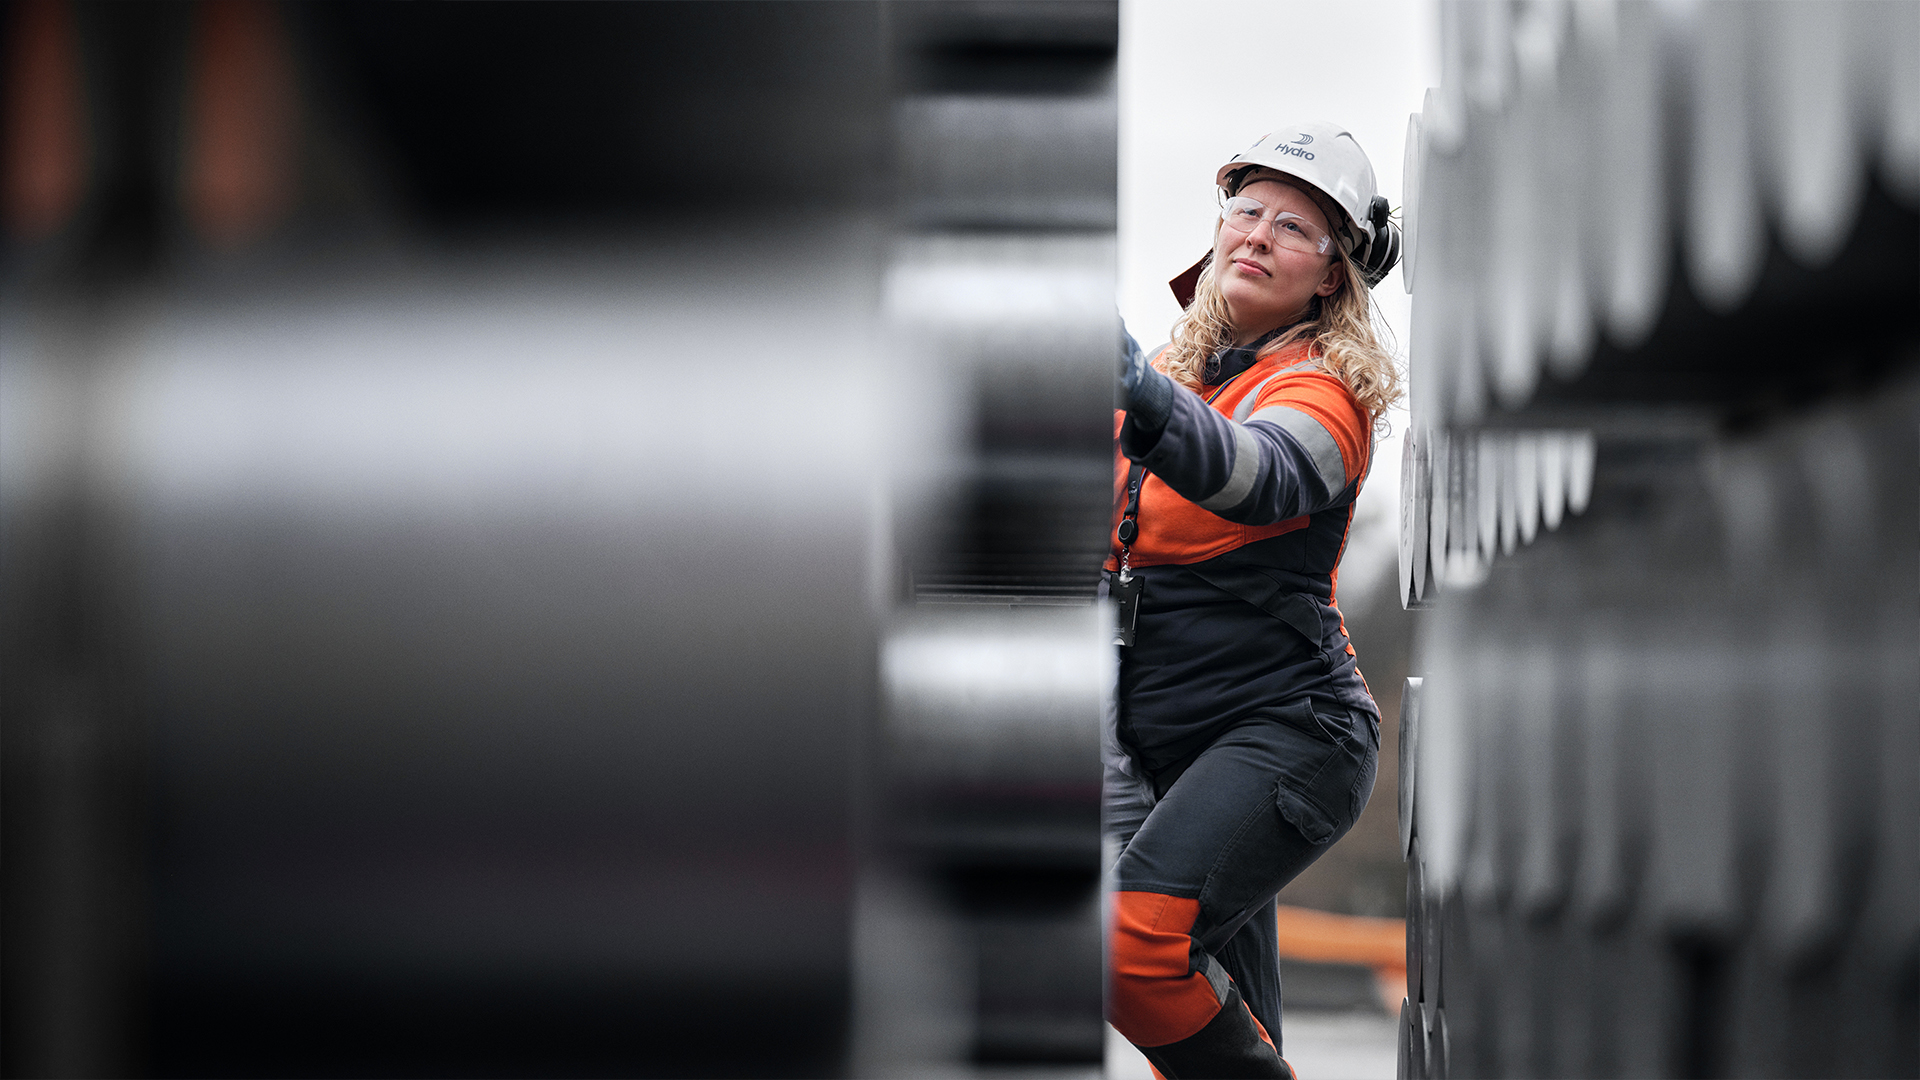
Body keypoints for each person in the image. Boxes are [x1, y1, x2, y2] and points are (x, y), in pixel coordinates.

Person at [1105, 122, 1403, 1079]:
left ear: (1331, 275)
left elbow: (1255, 476)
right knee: (1189, 1036)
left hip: (1289, 734)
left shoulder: (1326, 395)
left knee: (1134, 951)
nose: (1257, 232)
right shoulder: (1170, 379)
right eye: (1246, 209)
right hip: (1168, 750)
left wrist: (1138, 393)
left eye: (1293, 224)